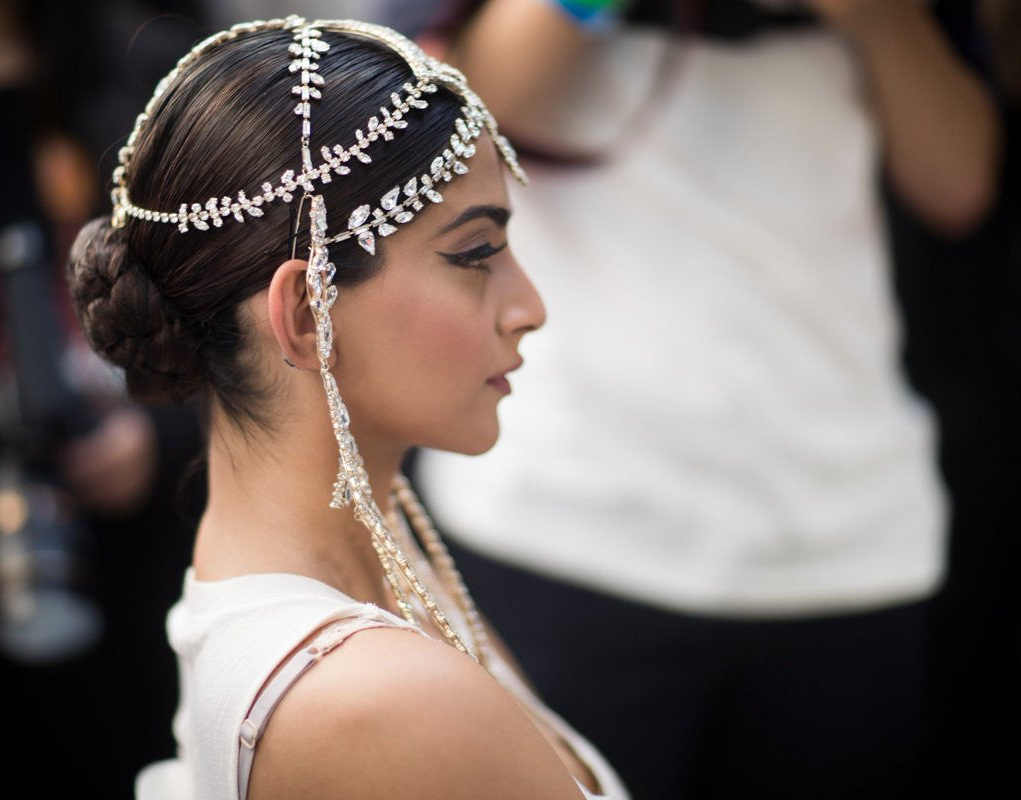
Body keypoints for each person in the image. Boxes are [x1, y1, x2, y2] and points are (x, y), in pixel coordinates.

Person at [417, 1, 1000, 799]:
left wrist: (876, 18)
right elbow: (456, 118)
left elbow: (960, 185)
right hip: (564, 513)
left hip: (849, 532)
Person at [64, 16, 629, 800]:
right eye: (475, 255)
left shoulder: (368, 548)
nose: (529, 306)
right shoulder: (371, 700)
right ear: (304, 311)